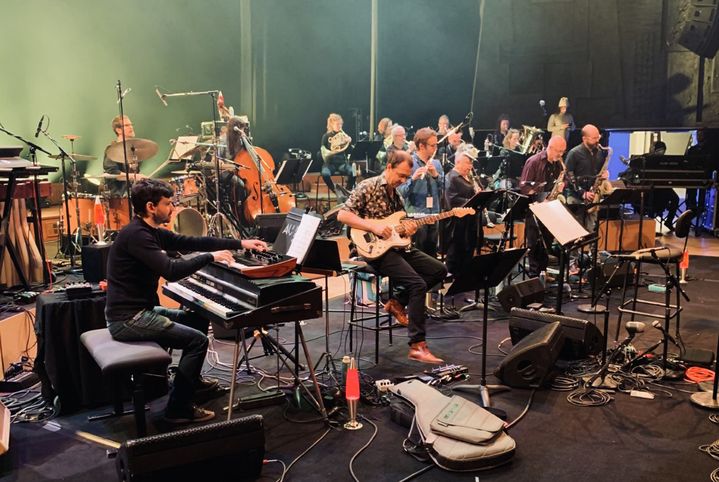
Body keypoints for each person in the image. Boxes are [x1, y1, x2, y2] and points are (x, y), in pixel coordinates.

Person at [105, 178, 268, 423]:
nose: (172, 209)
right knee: (197, 341)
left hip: (138, 312)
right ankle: (178, 409)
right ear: (151, 207)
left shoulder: (148, 231)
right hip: (129, 319)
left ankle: (193, 383)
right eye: (168, 204)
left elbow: (192, 242)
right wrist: (210, 257)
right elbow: (171, 270)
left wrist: (240, 243)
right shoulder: (137, 236)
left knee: (197, 317)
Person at [338, 150, 447, 364]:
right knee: (417, 285)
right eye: (401, 175)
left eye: (407, 177)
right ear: (389, 167)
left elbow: (398, 228)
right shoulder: (367, 186)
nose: (403, 181)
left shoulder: (395, 195)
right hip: (371, 250)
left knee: (439, 270)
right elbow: (343, 215)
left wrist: (408, 229)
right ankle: (417, 345)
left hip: (393, 248)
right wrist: (373, 226)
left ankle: (397, 301)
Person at [519, 136, 567, 277]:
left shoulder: (558, 164)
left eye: (563, 152)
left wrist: (562, 186)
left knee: (547, 241)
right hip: (535, 209)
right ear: (550, 148)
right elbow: (524, 186)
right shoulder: (534, 162)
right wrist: (540, 198)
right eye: (558, 151)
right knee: (534, 243)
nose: (560, 155)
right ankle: (534, 275)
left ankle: (543, 273)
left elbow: (561, 181)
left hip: (550, 209)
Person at [397, 127, 444, 257]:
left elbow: (444, 188)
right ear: (421, 146)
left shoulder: (437, 163)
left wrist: (436, 176)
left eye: (436, 144)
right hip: (415, 217)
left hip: (434, 214)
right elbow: (400, 193)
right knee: (418, 255)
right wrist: (413, 179)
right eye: (432, 145)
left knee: (432, 254)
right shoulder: (409, 163)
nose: (436, 148)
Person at [564, 124, 611, 232]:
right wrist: (582, 193)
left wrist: (605, 175)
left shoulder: (599, 152)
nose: (597, 141)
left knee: (590, 230)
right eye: (594, 138)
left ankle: (588, 249)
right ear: (584, 138)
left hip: (593, 197)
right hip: (576, 198)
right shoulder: (574, 153)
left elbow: (599, 172)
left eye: (598, 137)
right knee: (575, 231)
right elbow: (568, 176)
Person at [444, 151, 479, 276]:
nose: (470, 167)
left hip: (469, 219)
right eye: (468, 163)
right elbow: (452, 200)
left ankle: (464, 279)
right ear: (458, 162)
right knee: (456, 252)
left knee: (468, 250)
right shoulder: (451, 177)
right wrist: (474, 200)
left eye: (471, 164)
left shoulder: (467, 177)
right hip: (457, 222)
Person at [103, 115, 147, 197]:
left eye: (131, 125)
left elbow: (135, 172)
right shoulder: (112, 150)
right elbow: (113, 174)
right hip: (117, 195)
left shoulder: (133, 150)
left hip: (132, 193)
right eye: (127, 125)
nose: (131, 127)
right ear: (118, 130)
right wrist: (136, 176)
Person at [320, 113, 355, 196]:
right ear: (331, 124)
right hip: (330, 163)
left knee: (353, 171)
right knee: (325, 174)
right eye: (337, 124)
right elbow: (323, 151)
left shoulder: (344, 136)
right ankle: (335, 190)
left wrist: (349, 142)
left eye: (341, 124)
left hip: (342, 163)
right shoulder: (326, 136)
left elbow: (349, 151)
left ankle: (347, 190)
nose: (340, 126)